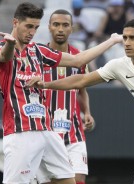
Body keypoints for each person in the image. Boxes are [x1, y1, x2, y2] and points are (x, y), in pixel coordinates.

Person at [26, 19, 134, 184]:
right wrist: (46, 84)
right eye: (125, 38)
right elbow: (81, 80)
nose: (126, 42)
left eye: (132, 38)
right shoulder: (119, 65)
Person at [0, 2, 122, 184]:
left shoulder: (38, 51)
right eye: (28, 26)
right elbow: (5, 56)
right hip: (21, 132)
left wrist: (112, 41)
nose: (32, 32)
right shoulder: (1, 46)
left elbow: (78, 60)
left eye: (35, 28)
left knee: (69, 180)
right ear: (15, 22)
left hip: (47, 131)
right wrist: (11, 44)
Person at [36, 9, 95, 184]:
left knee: (77, 179)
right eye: (56, 24)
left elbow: (82, 88)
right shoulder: (38, 56)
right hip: (45, 131)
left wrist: (88, 113)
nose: (60, 29)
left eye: (65, 25)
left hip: (73, 130)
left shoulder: (80, 57)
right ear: (49, 27)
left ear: (71, 28)